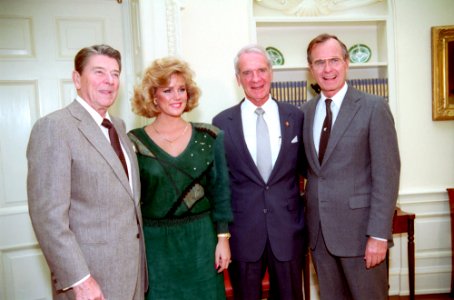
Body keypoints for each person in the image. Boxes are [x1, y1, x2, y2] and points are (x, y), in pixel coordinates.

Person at [27, 44, 147, 300]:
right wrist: (79, 280)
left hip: (132, 273)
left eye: (115, 74)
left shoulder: (119, 126)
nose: (109, 81)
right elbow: (48, 217)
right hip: (91, 279)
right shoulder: (54, 128)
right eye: (99, 72)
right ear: (77, 78)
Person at [302, 33, 401, 300]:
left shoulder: (373, 107)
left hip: (361, 236)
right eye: (319, 62)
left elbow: (387, 176)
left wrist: (379, 235)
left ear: (346, 63)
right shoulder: (306, 111)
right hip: (320, 236)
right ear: (311, 69)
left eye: (334, 60)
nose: (327, 69)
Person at [128, 57, 233, 300]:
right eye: (167, 90)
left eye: (182, 89)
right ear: (153, 96)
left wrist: (223, 239)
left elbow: (221, 192)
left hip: (201, 242)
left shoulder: (210, 136)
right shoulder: (134, 142)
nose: (177, 96)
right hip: (156, 247)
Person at [212, 44, 306, 300]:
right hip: (243, 234)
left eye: (261, 70)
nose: (256, 79)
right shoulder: (221, 123)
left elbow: (306, 170)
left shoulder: (296, 116)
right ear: (237, 78)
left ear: (271, 73)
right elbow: (220, 184)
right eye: (247, 72)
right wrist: (223, 235)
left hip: (287, 232)